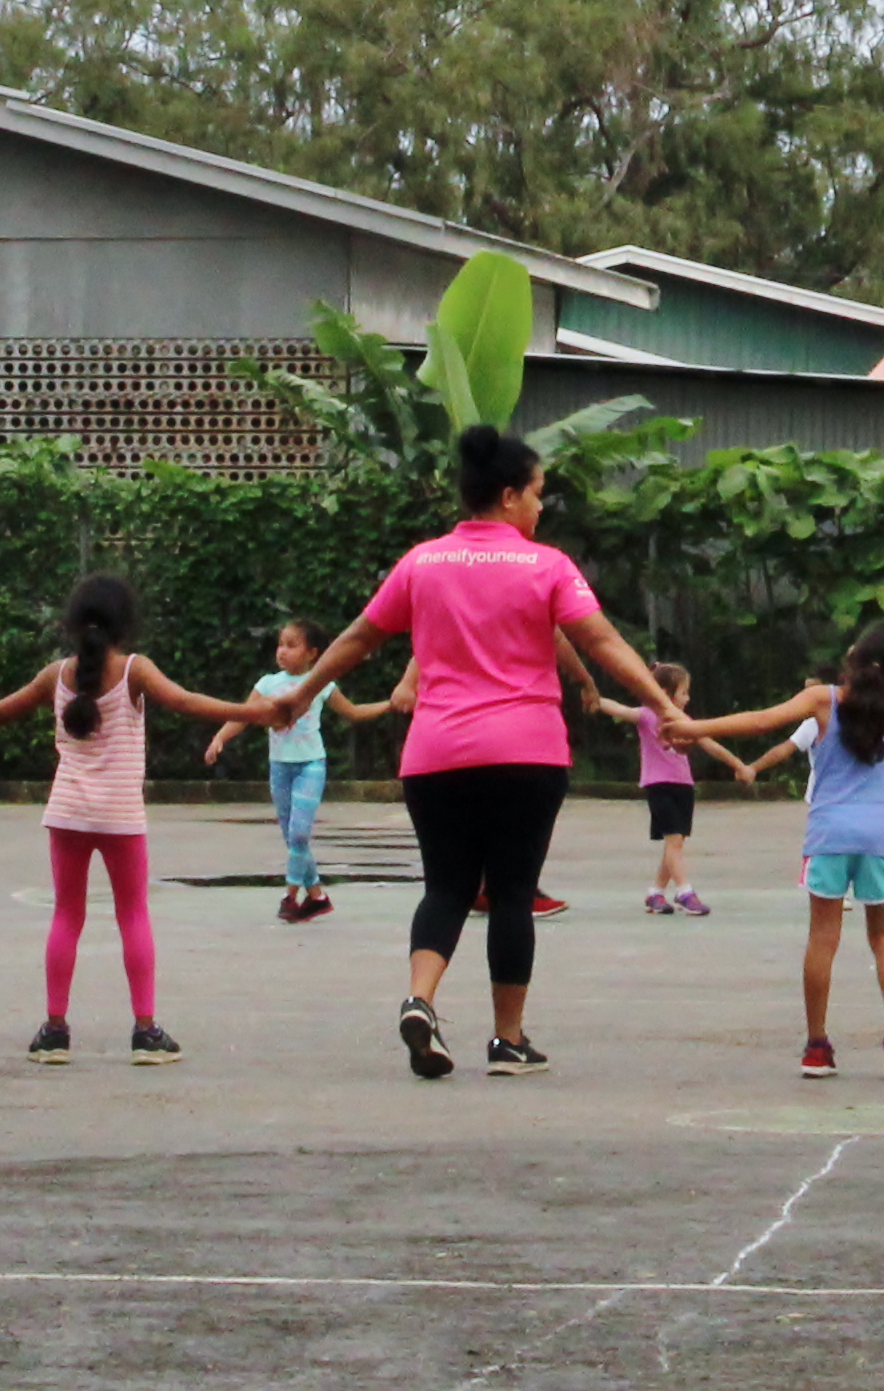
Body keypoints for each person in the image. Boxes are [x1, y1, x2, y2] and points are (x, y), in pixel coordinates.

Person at [255, 426, 695, 1080]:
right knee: (512, 894)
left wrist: (301, 693)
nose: (541, 508)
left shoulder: (422, 562)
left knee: (447, 887)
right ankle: (508, 1039)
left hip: (436, 757)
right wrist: (666, 705)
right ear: (510, 494)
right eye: (538, 494)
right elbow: (602, 642)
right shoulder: (546, 566)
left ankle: (419, 998)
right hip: (526, 755)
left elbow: (357, 639)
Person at [0, 575, 259, 1064]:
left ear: (74, 622)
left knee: (67, 915)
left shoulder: (56, 675)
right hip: (120, 816)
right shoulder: (136, 671)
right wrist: (259, 713)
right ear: (126, 623)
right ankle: (145, 1033)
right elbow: (186, 702)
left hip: (68, 813)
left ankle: (54, 1031)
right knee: (133, 915)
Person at [666, 622, 884, 1078]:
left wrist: (693, 728)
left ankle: (817, 1047)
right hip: (877, 839)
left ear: (858, 656)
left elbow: (760, 720)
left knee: (823, 938)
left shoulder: (823, 700)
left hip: (829, 836)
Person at [209, 620, 347, 923]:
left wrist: (390, 704)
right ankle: (318, 897)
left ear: (312, 653)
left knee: (299, 833)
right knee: (292, 837)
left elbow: (352, 711)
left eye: (291, 645)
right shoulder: (267, 684)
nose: (282, 651)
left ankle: (290, 897)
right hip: (279, 767)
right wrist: (220, 737)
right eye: (280, 644)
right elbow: (242, 715)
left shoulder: (321, 683)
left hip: (312, 765)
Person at [593, 662, 753, 917]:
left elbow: (708, 743)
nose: (687, 698)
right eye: (684, 692)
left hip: (683, 785)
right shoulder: (647, 716)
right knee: (673, 842)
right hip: (659, 785)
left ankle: (656, 892)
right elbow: (621, 709)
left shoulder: (683, 720)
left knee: (675, 843)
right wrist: (593, 694)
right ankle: (684, 891)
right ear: (666, 693)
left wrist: (738, 764)